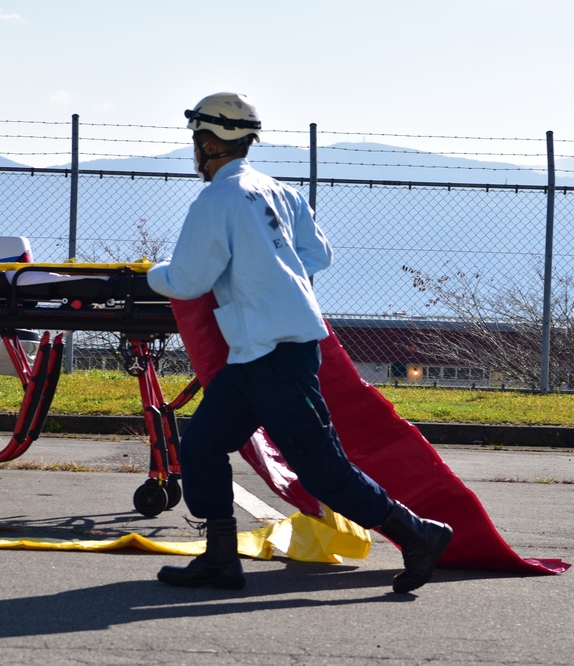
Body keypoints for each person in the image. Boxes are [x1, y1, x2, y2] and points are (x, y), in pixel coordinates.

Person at [146, 92, 453, 594]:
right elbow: (318, 254)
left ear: (207, 142)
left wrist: (147, 275)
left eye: (195, 142)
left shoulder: (216, 199)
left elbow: (186, 280)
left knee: (324, 472)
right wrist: (274, 279)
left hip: (273, 355)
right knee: (201, 446)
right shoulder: (278, 191)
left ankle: (419, 534)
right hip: (259, 352)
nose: (194, 153)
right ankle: (221, 557)